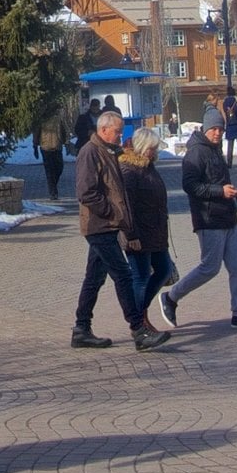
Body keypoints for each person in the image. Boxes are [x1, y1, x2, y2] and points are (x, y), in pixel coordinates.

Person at [71, 107, 168, 351]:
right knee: (123, 275)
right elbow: (86, 193)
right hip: (99, 226)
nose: (120, 135)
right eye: (117, 131)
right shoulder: (90, 152)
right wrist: (113, 213)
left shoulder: (110, 152)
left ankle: (81, 329)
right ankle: (139, 330)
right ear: (103, 130)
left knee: (94, 278)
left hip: (108, 226)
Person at [163, 114, 237, 330]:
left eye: (221, 129)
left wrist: (235, 194)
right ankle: (171, 297)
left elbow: (219, 182)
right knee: (209, 268)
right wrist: (220, 191)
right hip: (209, 220)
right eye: (214, 129)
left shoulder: (215, 150)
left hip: (228, 217)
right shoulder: (196, 152)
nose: (218, 133)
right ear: (205, 129)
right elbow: (190, 186)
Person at [120, 126, 178, 317]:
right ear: (141, 146)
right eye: (151, 148)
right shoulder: (129, 170)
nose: (154, 151)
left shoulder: (148, 167)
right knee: (141, 277)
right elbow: (125, 206)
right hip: (138, 234)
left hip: (156, 232)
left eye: (155, 148)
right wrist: (131, 235)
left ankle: (140, 311)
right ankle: (137, 320)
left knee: (164, 270)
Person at [36, 116, 66, 201]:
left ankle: (53, 185)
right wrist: (35, 145)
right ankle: (53, 192)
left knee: (59, 168)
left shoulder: (58, 118)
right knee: (49, 171)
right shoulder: (41, 118)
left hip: (57, 147)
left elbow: (63, 130)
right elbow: (36, 131)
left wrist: (64, 141)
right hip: (46, 147)